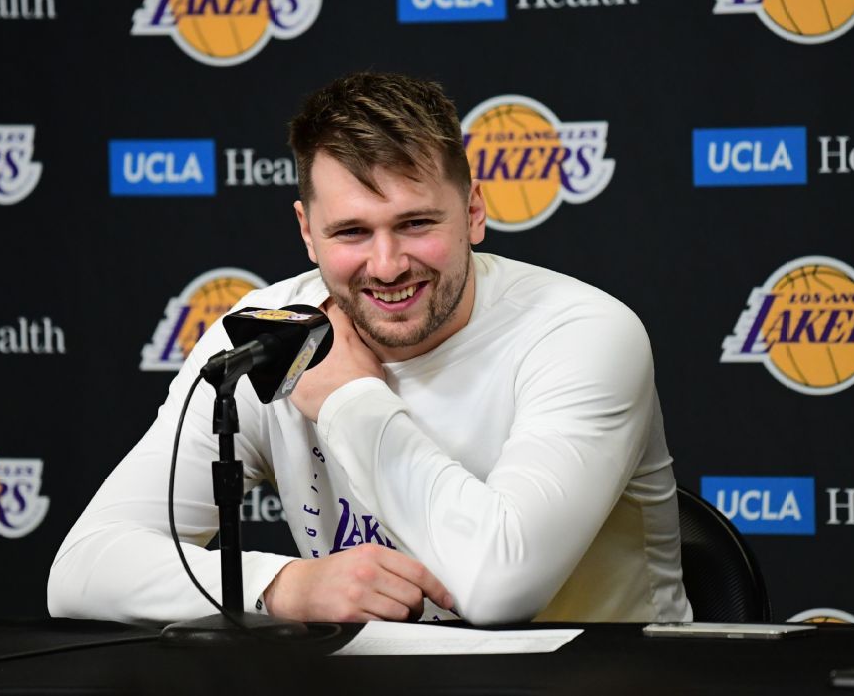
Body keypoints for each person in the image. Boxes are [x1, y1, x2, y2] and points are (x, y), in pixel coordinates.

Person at [47, 72, 691, 626]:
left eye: (416, 223)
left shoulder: (581, 332)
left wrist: (350, 397)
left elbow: (501, 589)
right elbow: (81, 569)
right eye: (351, 232)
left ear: (473, 212)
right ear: (307, 231)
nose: (387, 265)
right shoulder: (265, 336)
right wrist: (284, 586)